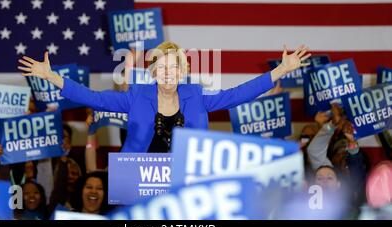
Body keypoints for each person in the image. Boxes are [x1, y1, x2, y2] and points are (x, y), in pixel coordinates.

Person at [18, 42, 311, 152]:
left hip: (185, 184)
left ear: (182, 72)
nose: (169, 73)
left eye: (175, 67)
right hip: (139, 184)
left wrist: (281, 70)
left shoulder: (196, 96)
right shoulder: (136, 96)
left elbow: (237, 95)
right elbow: (93, 97)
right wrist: (51, 76)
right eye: (163, 67)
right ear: (154, 73)